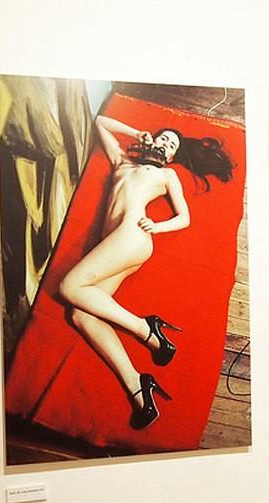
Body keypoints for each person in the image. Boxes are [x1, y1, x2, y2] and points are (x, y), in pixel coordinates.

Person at [58, 114, 233, 430]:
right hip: (114, 244)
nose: (165, 144)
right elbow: (100, 122)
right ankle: (138, 385)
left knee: (69, 287)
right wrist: (136, 130)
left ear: (172, 157)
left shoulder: (166, 175)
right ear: (150, 139)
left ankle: (145, 329)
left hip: (133, 236)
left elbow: (184, 217)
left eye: (172, 145)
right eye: (163, 137)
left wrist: (158, 226)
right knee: (81, 316)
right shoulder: (122, 162)